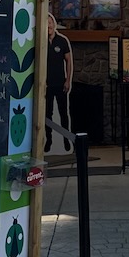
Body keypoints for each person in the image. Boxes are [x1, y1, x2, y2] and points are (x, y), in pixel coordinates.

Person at [45, 13, 73, 152]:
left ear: (54, 24)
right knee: (47, 114)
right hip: (46, 85)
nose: (49, 25)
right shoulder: (41, 42)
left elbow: (69, 61)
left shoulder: (62, 41)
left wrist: (68, 80)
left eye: (50, 23)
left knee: (63, 113)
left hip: (61, 83)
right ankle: (48, 140)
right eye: (46, 23)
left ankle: (66, 139)